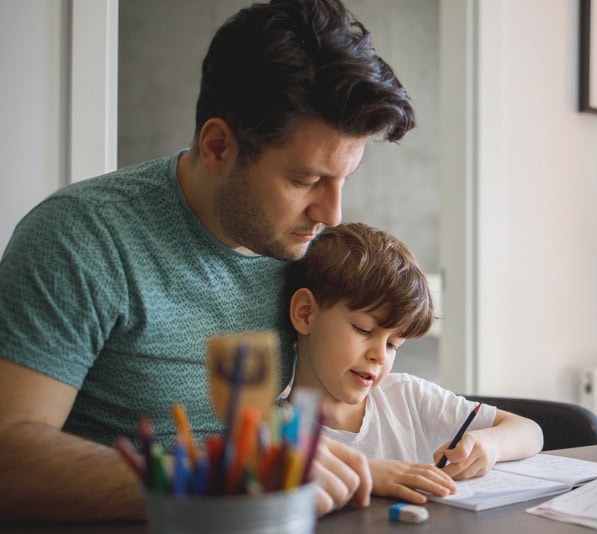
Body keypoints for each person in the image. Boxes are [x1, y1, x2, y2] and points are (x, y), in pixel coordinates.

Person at [0, 0, 414, 522]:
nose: (331, 213)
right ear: (217, 146)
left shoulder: (302, 254)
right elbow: (9, 457)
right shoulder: (81, 238)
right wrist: (219, 479)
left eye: (343, 180)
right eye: (305, 180)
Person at [284, 222, 544, 504]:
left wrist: (490, 445)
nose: (380, 356)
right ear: (306, 313)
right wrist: (370, 474)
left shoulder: (408, 398)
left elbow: (530, 431)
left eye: (393, 344)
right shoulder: (272, 427)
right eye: (363, 329)